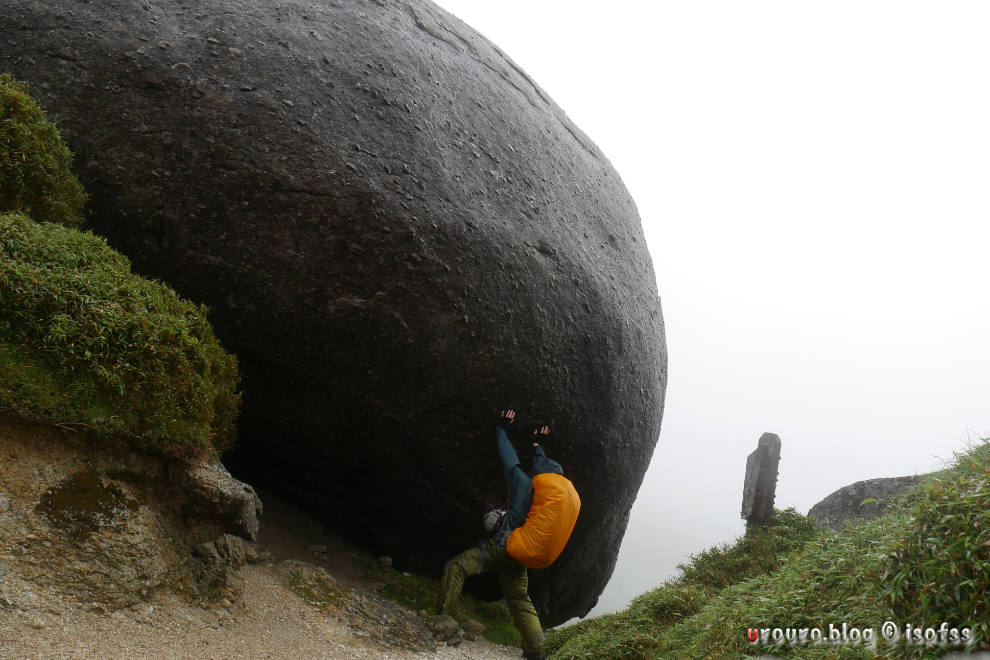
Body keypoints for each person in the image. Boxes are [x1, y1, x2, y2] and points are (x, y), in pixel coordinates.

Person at [437, 409, 565, 660]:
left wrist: (501, 428)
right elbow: (541, 464)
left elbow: (509, 459)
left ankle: (444, 622)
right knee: (519, 599)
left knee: (456, 567)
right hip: (519, 553)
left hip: (501, 547)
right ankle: (536, 651)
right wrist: (538, 444)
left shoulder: (523, 484)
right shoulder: (549, 498)